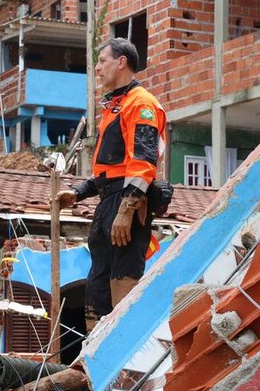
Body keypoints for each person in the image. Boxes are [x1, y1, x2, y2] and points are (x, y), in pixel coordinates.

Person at [55, 38, 166, 332]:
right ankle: (94, 350)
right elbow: (110, 170)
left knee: (123, 277)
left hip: (127, 201)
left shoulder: (141, 104)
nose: (97, 68)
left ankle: (122, 347)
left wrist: (127, 209)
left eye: (102, 61)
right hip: (108, 202)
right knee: (98, 280)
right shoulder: (115, 106)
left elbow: (142, 162)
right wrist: (78, 193)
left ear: (121, 62)